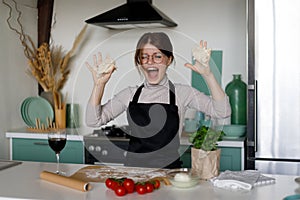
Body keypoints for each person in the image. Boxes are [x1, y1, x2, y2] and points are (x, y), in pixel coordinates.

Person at [85, 32, 231, 169]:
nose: (150, 62)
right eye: (144, 57)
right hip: (134, 173)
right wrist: (99, 85)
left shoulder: (182, 93)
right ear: (139, 62)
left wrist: (208, 74)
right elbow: (93, 121)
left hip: (169, 174)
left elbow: (223, 112)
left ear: (169, 60)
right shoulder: (129, 94)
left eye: (157, 56)